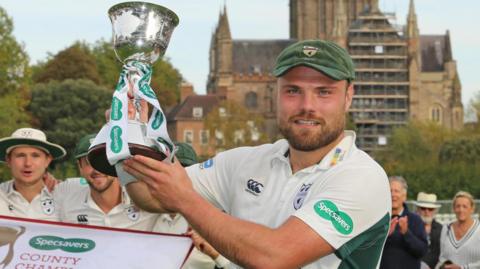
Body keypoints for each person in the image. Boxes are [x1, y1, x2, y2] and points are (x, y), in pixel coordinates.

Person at [123, 39, 392, 268]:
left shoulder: (362, 177)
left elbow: (275, 256)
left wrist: (186, 200)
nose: (307, 106)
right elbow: (150, 194)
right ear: (275, 94)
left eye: (324, 92)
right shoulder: (245, 161)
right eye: (293, 91)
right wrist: (127, 139)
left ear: (348, 97)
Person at [54, 133, 158, 230]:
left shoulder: (144, 198)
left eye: (105, 161)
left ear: (118, 162)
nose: (97, 169)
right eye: (89, 162)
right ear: (80, 167)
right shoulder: (66, 198)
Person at [153, 142, 231, 269]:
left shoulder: (214, 219)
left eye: (187, 172)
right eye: (171, 171)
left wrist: (215, 255)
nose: (178, 179)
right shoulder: (151, 215)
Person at [0, 127, 66, 220]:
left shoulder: (66, 198)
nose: (28, 163)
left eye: (35, 156)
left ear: (47, 160)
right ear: (9, 160)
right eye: (20, 155)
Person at [380, 176, 428, 269]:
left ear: (404, 196)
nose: (393, 195)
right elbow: (369, 249)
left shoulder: (415, 220)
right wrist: (384, 235)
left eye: (396, 191)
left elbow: (422, 251)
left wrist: (406, 233)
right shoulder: (379, 219)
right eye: (390, 191)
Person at [436, 191, 480, 269]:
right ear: (453, 209)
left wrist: (463, 268)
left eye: (465, 206)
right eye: (458, 206)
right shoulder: (446, 228)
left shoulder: (478, 229)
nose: (461, 210)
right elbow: (442, 258)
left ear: (472, 209)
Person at [414, 192, 443, 269]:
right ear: (418, 209)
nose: (427, 212)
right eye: (423, 208)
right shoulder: (409, 227)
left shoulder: (441, 229)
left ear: (434, 211)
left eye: (430, 209)